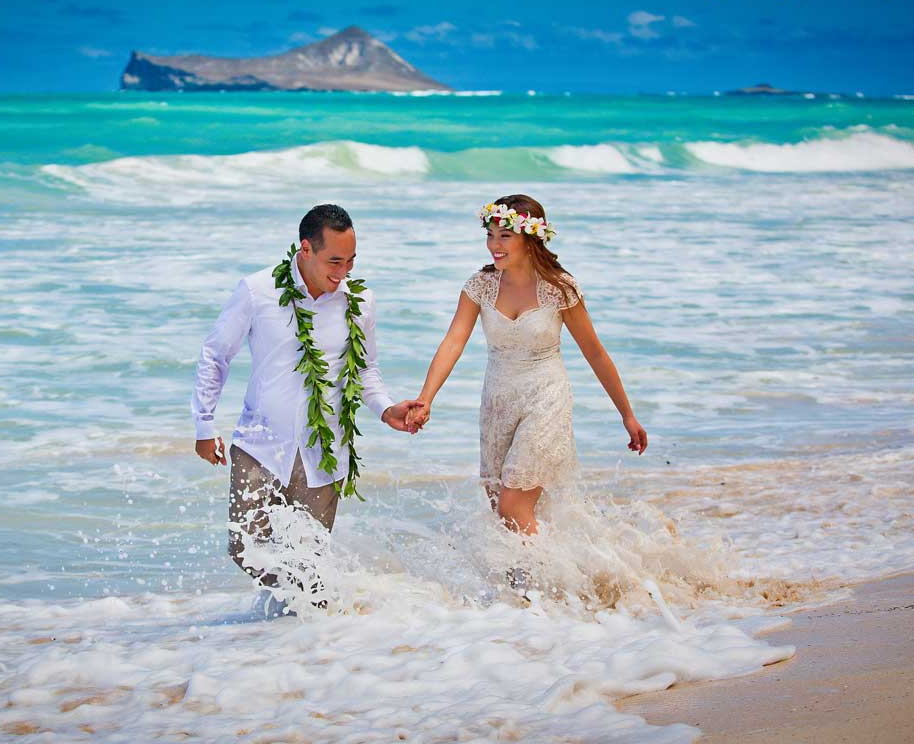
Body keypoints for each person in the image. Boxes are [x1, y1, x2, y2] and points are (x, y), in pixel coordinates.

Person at [192, 204, 422, 612]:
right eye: (335, 260)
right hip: (260, 444)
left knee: (309, 558)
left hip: (324, 449)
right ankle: (319, 604)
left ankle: (307, 641)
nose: (343, 272)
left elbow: (367, 371)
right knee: (244, 548)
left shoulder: (359, 301)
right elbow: (216, 355)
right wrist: (204, 424)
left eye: (351, 261)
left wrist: (387, 410)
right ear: (305, 250)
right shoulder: (258, 290)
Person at [406, 194, 647, 547]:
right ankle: (532, 592)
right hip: (498, 402)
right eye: (489, 235)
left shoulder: (560, 288)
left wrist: (627, 414)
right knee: (500, 509)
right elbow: (453, 341)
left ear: (530, 237)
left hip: (546, 397)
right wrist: (426, 399)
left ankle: (545, 587)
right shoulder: (480, 285)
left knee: (512, 505)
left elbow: (595, 352)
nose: (494, 245)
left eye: (504, 236)